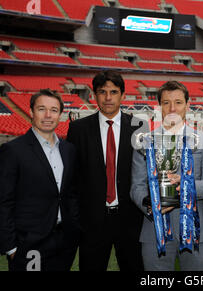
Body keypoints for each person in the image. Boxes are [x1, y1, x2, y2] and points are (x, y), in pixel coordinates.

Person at [130, 81, 203, 271]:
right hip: (154, 230)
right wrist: (151, 205)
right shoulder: (145, 142)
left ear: (188, 105)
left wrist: (188, 185)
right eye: (166, 103)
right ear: (160, 106)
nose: (172, 108)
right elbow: (136, 187)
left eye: (178, 102)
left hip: (195, 229)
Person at [0, 89, 80, 271]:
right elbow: (2, 202)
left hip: (65, 242)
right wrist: (11, 248)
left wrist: (74, 228)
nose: (48, 115)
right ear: (31, 112)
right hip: (30, 244)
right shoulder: (13, 150)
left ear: (60, 115)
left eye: (54, 110)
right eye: (42, 109)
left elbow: (71, 193)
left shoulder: (69, 150)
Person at [66, 70, 144, 271]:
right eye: (102, 92)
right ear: (94, 95)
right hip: (92, 221)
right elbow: (72, 178)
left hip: (130, 219)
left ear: (123, 95)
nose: (108, 97)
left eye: (114, 92)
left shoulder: (139, 127)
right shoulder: (78, 129)